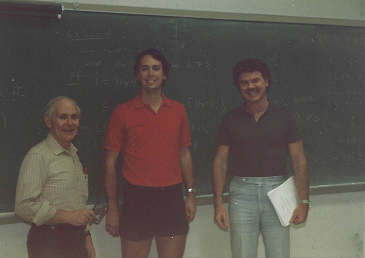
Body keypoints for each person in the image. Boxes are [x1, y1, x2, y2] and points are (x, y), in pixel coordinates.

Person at [212, 58, 310, 258]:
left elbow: (299, 160)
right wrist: (218, 204)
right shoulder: (230, 119)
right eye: (244, 83)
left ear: (266, 81)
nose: (251, 87)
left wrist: (304, 201)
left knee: (279, 254)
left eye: (255, 80)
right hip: (241, 195)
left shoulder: (285, 117)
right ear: (239, 86)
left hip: (277, 193)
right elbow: (220, 163)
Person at [104, 48, 196, 258]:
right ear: (137, 75)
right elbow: (110, 162)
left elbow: (184, 154)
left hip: (172, 197)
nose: (150, 74)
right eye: (144, 69)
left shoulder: (178, 110)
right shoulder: (122, 113)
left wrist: (190, 194)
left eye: (156, 68)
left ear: (164, 74)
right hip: (137, 199)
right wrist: (112, 208)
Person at [15, 96, 96, 258]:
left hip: (77, 240)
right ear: (48, 121)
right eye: (63, 117)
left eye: (74, 117)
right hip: (49, 243)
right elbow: (23, 206)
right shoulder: (38, 156)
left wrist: (86, 236)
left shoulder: (74, 155)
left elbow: (78, 203)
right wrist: (68, 216)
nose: (70, 123)